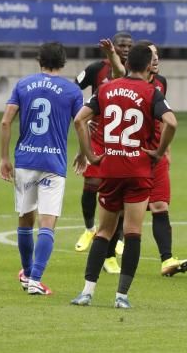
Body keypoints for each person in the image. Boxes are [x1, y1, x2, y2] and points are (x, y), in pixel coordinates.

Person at [69, 44, 177, 308]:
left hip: (111, 169)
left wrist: (91, 154)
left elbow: (79, 121)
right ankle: (121, 296)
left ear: (128, 64)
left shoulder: (107, 88)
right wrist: (158, 152)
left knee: (104, 231)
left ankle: (87, 292)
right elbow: (172, 122)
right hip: (138, 171)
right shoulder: (152, 92)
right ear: (148, 65)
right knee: (132, 232)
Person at [102, 39, 187, 276]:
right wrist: (112, 54)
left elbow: (165, 120)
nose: (155, 59)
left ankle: (167, 260)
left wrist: (166, 152)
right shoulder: (129, 82)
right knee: (122, 210)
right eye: (151, 55)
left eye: (157, 55)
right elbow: (118, 71)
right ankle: (109, 256)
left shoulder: (161, 83)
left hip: (156, 155)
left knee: (160, 205)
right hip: (132, 155)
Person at [0, 42, 84, 295]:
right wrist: (83, 152)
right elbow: (81, 123)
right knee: (47, 223)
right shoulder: (71, 91)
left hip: (25, 160)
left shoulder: (23, 85)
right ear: (63, 62)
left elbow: (5, 121)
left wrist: (4, 158)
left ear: (39, 60)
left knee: (25, 218)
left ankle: (27, 274)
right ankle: (35, 279)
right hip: (53, 163)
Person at [73, 32, 133, 277]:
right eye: (122, 45)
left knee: (118, 189)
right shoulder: (96, 69)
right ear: (113, 47)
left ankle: (115, 240)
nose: (126, 49)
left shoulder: (135, 68)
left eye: (129, 45)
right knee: (91, 183)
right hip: (98, 135)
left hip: (123, 135)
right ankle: (90, 228)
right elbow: (73, 88)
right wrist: (86, 115)